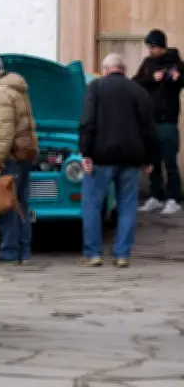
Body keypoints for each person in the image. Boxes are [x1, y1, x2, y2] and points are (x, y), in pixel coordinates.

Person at [79, 54, 156, 268]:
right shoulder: (139, 91)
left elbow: (87, 122)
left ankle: (93, 254)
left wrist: (85, 153)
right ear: (124, 69)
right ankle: (122, 255)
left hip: (101, 157)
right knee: (128, 206)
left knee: (92, 205)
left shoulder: (95, 87)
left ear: (105, 69)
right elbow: (149, 128)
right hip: (131, 159)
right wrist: (149, 158)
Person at [0, 55, 39, 265]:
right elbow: (13, 126)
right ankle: (24, 251)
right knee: (20, 203)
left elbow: (5, 131)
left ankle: (9, 252)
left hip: (10, 157)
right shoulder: (17, 89)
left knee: (6, 203)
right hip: (24, 154)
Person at [134, 29, 184, 215]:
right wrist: (151, 78)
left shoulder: (176, 63)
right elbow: (135, 82)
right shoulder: (148, 64)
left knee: (169, 160)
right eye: (148, 46)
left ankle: (174, 198)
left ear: (162, 46)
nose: (150, 50)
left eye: (153, 46)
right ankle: (155, 196)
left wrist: (178, 78)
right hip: (150, 121)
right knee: (152, 160)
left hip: (168, 121)